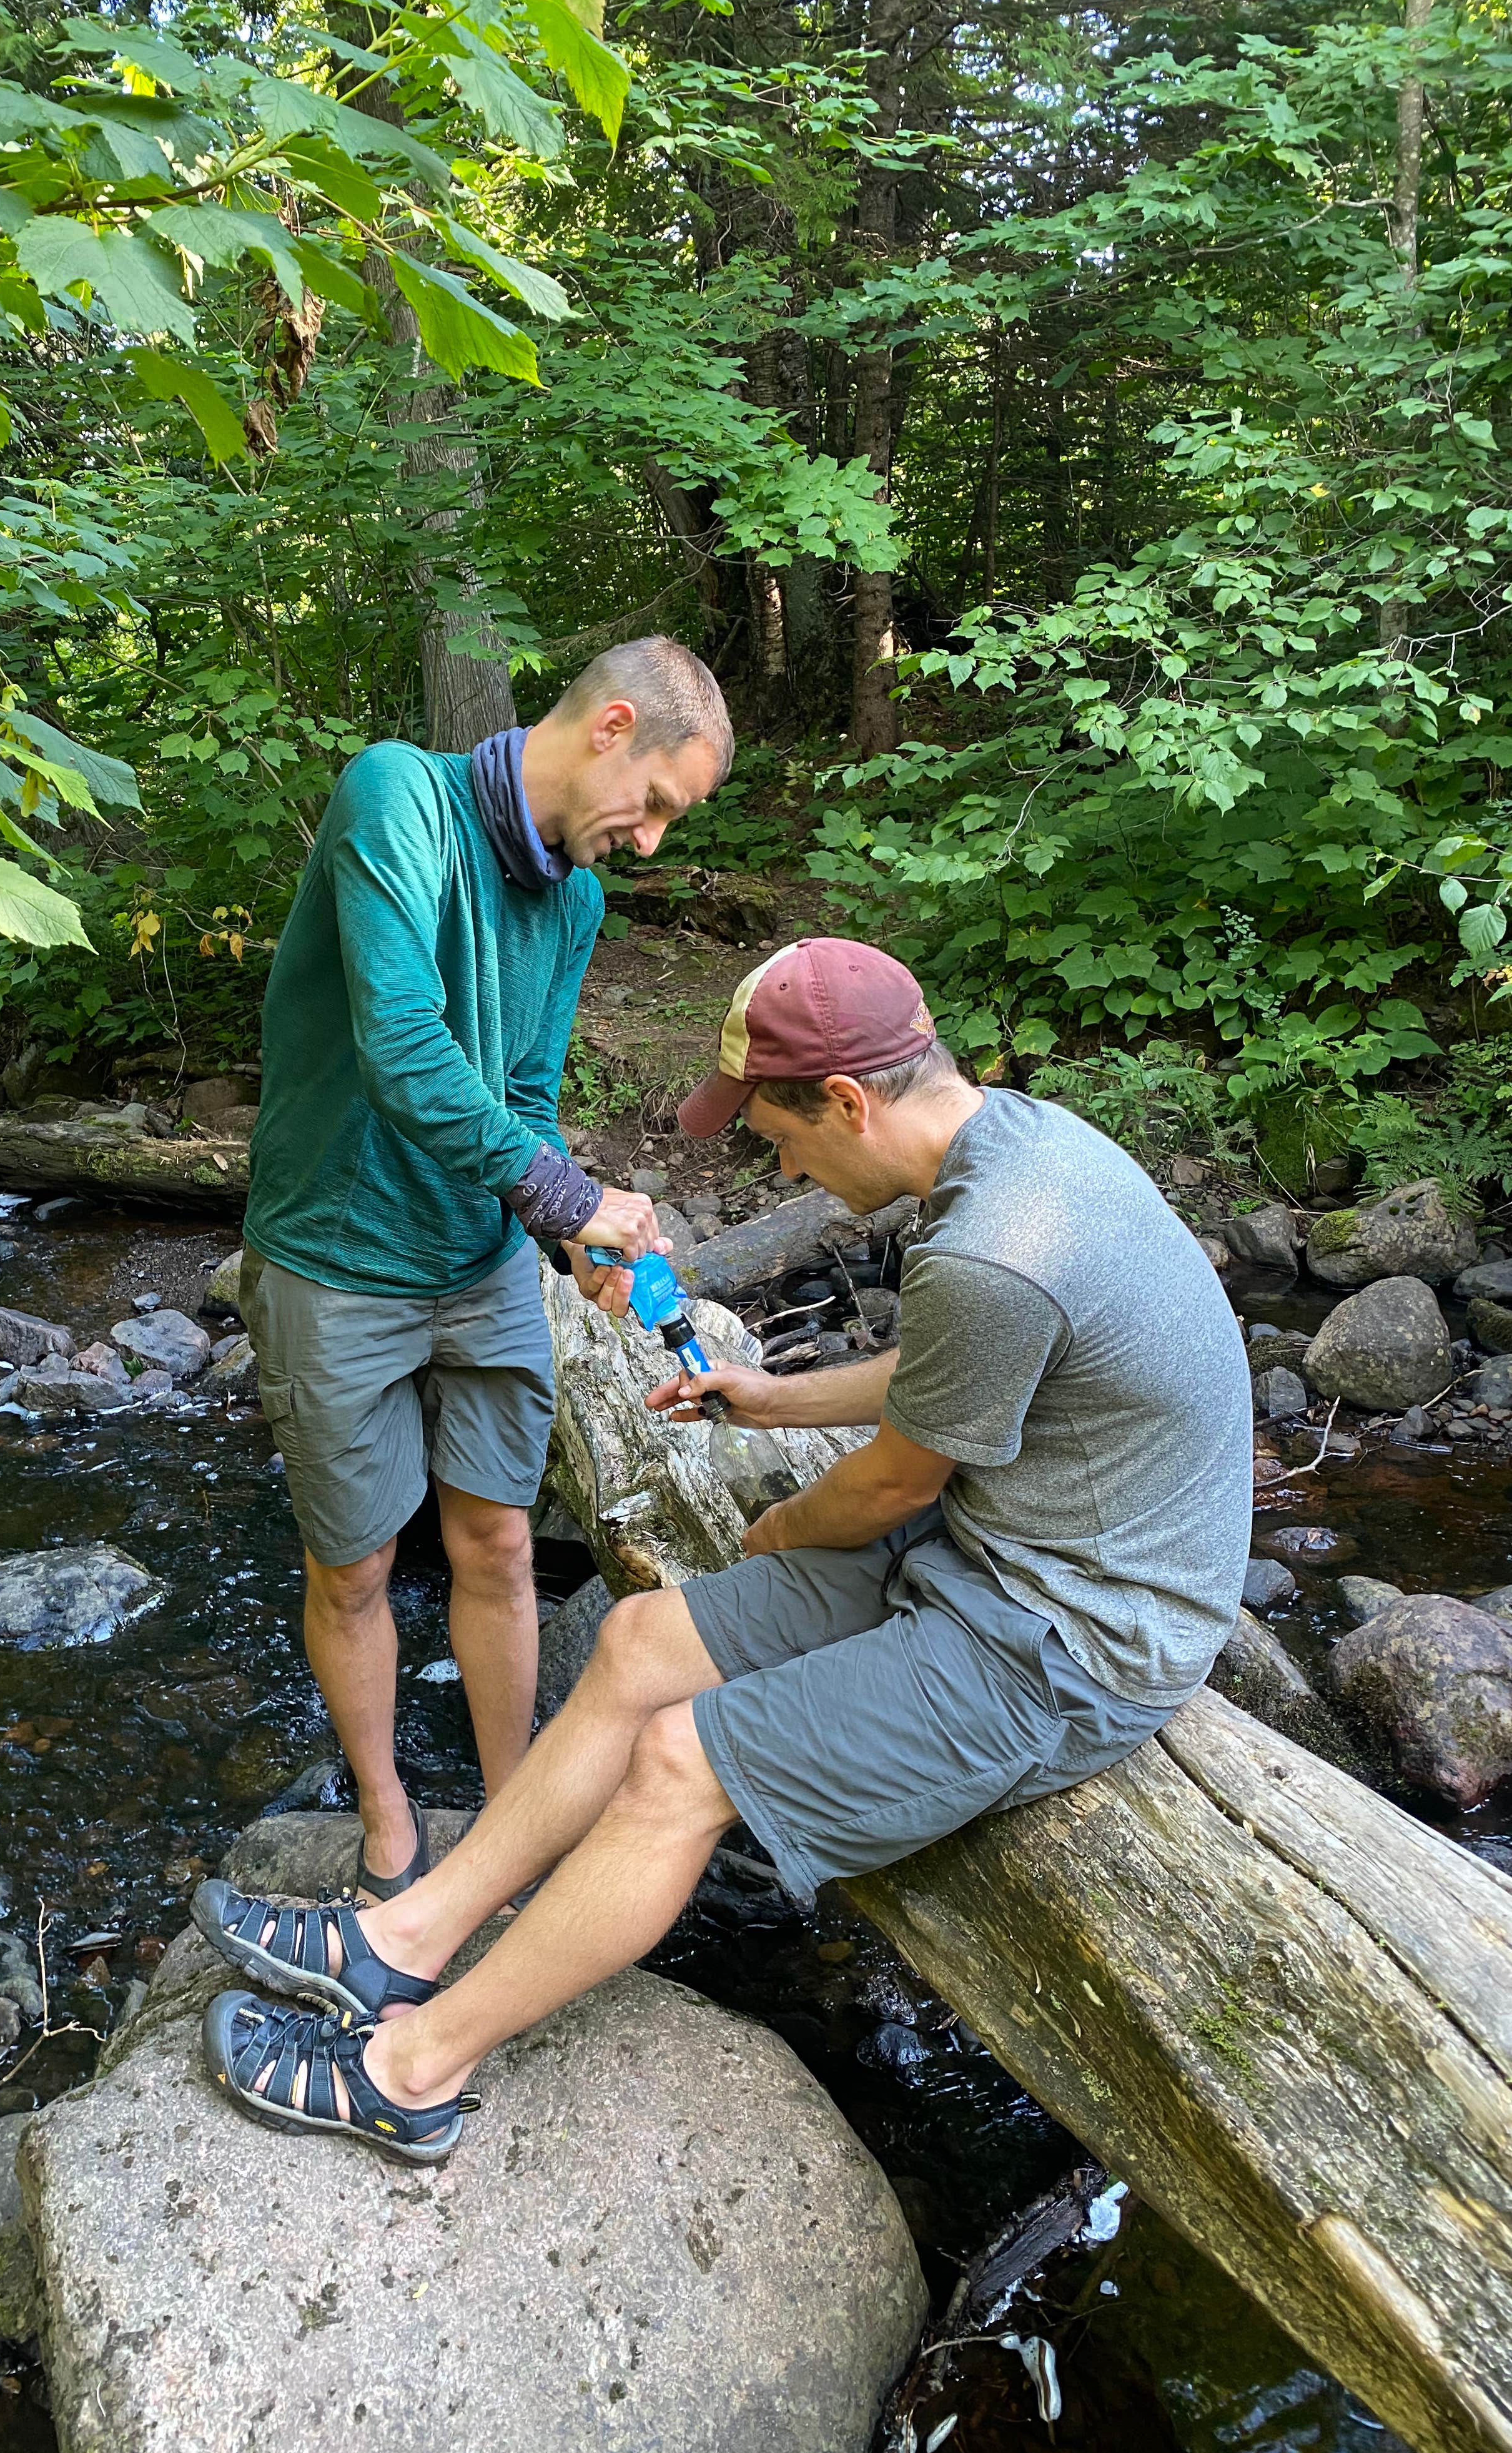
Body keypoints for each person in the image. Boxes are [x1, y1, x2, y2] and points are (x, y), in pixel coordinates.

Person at [198, 936, 1253, 2158]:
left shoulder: (994, 1245)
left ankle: (413, 2072)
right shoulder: (1014, 1146)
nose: (777, 1156)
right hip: (991, 1548)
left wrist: (786, 1523)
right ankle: (401, 1944)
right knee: (643, 1638)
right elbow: (956, 1378)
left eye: (779, 1133)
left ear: (850, 1101)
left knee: (679, 1765)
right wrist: (770, 1397)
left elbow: (893, 1480)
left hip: (1069, 1640)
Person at [239, 637, 733, 1899]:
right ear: (612, 726)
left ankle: (509, 1819)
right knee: (353, 1566)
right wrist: (567, 1196)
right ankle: (390, 1814)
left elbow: (521, 1094)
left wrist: (569, 1238)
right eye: (660, 804)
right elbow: (401, 1049)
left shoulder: (573, 900)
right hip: (337, 1257)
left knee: (500, 1544)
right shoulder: (396, 796)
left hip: (480, 1259)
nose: (654, 840)